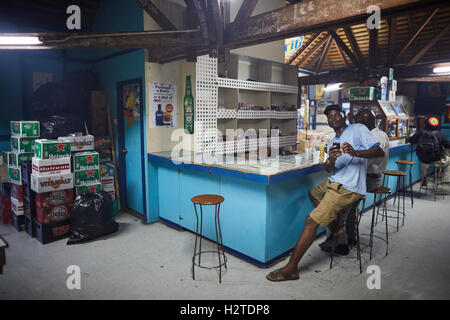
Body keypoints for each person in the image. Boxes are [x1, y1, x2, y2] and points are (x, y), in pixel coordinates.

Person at [266, 104, 385, 281]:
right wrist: (330, 159)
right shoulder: (331, 142)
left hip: (348, 187)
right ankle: (337, 231)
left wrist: (356, 152)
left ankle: (292, 268)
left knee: (311, 221)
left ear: (344, 116)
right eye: (329, 116)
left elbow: (379, 151)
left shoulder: (357, 129)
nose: (333, 118)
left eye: (336, 114)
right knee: (313, 194)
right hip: (335, 181)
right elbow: (329, 168)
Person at [319, 108, 390, 254]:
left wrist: (350, 154)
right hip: (369, 177)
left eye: (362, 121)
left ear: (372, 121)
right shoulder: (379, 133)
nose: (359, 123)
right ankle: (349, 238)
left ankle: (339, 242)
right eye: (358, 120)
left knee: (339, 207)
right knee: (348, 207)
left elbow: (364, 161)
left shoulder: (374, 137)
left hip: (370, 179)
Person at [408, 116, 450, 187]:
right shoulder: (441, 135)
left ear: (426, 124)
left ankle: (424, 177)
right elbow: (448, 145)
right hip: (436, 159)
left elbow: (411, 140)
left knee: (423, 162)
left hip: (423, 158)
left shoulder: (421, 133)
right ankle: (445, 179)